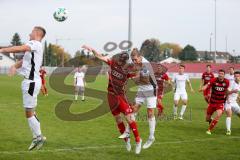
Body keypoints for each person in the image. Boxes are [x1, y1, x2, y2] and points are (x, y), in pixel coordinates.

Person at [82, 45, 142, 154]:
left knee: (129, 118)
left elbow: (137, 74)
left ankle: (138, 140)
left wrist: (138, 63)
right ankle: (127, 141)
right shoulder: (112, 63)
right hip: (110, 96)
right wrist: (92, 49)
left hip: (121, 96)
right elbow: (100, 56)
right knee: (118, 119)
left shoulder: (128, 70)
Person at [0, 26, 47, 150]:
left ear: (37, 33)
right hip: (31, 82)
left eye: (31, 32)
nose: (29, 34)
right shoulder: (35, 46)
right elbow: (25, 59)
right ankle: (38, 136)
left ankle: (38, 137)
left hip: (31, 83)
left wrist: (2, 49)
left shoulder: (35, 43)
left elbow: (21, 48)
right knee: (31, 111)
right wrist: (14, 66)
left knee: (29, 113)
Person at [120, 48, 157, 149]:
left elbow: (143, 80)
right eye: (133, 60)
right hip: (142, 89)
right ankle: (127, 131)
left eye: (135, 59)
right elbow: (136, 75)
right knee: (134, 109)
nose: (134, 61)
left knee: (150, 113)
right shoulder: (136, 62)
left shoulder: (146, 65)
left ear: (140, 57)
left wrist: (129, 79)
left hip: (151, 89)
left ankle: (151, 137)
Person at [202, 69, 229, 135]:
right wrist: (203, 87)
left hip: (220, 102)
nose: (220, 75)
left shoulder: (227, 81)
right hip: (212, 102)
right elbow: (207, 85)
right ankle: (211, 121)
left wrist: (227, 99)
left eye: (222, 74)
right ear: (218, 74)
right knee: (207, 119)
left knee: (218, 115)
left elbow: (226, 90)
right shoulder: (213, 80)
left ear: (224, 75)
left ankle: (209, 130)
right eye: (219, 73)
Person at [225, 71, 240, 135]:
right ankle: (228, 130)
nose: (236, 77)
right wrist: (233, 91)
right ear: (234, 77)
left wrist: (238, 98)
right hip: (228, 102)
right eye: (235, 76)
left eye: (238, 76)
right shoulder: (232, 83)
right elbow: (226, 92)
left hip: (234, 103)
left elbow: (237, 93)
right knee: (229, 113)